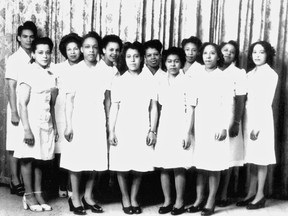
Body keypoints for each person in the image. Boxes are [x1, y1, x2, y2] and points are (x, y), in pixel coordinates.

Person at [60, 31, 107, 215]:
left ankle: (88, 196)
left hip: (98, 118)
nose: (91, 50)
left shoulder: (105, 70)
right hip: (79, 119)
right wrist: (69, 125)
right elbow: (69, 101)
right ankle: (75, 198)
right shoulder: (74, 71)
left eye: (95, 47)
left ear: (99, 50)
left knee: (95, 161)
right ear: (81, 49)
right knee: (76, 161)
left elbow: (109, 100)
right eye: (87, 47)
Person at [108, 41, 155, 214]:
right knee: (122, 164)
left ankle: (134, 197)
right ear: (124, 59)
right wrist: (111, 130)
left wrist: (152, 130)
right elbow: (115, 107)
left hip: (142, 125)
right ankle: (125, 197)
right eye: (128, 57)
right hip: (123, 126)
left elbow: (153, 107)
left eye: (136, 56)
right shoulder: (119, 80)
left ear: (142, 58)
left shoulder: (148, 79)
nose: (132, 60)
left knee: (139, 164)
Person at [187, 43, 231, 216]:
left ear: (218, 56)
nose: (208, 56)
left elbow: (228, 105)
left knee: (214, 165)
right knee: (201, 165)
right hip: (200, 123)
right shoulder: (196, 76)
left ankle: (211, 201)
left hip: (216, 124)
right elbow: (191, 104)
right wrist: (189, 129)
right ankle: (199, 199)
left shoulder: (224, 77)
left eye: (212, 53)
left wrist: (223, 126)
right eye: (205, 53)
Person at [151, 47, 195, 215]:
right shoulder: (159, 80)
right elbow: (155, 107)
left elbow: (191, 108)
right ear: (165, 62)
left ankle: (179, 202)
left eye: (176, 61)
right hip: (164, 125)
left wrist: (187, 132)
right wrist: (153, 130)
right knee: (164, 165)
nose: (173, 64)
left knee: (179, 165)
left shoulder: (188, 80)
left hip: (181, 124)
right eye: (169, 61)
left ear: (181, 62)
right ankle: (167, 200)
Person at [16, 37, 57, 212]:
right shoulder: (27, 72)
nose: (45, 56)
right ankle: (29, 195)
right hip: (31, 123)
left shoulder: (51, 74)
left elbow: (51, 104)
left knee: (42, 159)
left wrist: (54, 125)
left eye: (48, 52)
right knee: (28, 159)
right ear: (33, 54)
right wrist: (26, 129)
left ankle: (39, 193)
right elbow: (22, 104)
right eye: (40, 52)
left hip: (45, 122)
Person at [236, 41, 278, 210]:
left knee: (261, 158)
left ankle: (260, 195)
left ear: (268, 54)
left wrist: (258, 126)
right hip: (249, 117)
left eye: (261, 52)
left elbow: (266, 102)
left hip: (261, 119)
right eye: (254, 52)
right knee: (252, 158)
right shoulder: (250, 73)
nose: (257, 55)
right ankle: (251, 192)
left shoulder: (270, 74)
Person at [5, 21, 37, 196]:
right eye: (25, 36)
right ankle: (14, 180)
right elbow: (10, 87)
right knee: (13, 143)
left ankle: (25, 181)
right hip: (16, 107)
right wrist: (15, 112)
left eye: (31, 36)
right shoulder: (14, 59)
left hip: (31, 106)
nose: (28, 40)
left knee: (25, 143)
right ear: (18, 38)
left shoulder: (36, 55)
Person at [216, 40, 247, 207]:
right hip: (213, 117)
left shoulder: (238, 73)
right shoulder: (215, 69)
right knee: (214, 154)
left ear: (235, 56)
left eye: (232, 52)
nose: (227, 53)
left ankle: (223, 193)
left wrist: (236, 122)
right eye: (225, 50)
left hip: (230, 116)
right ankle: (211, 193)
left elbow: (241, 99)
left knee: (227, 156)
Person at [54, 33, 83, 198]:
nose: (72, 52)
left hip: (76, 112)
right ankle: (62, 184)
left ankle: (74, 186)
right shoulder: (58, 68)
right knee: (60, 152)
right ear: (64, 51)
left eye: (75, 48)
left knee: (74, 149)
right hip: (60, 111)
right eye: (69, 49)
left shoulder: (84, 68)